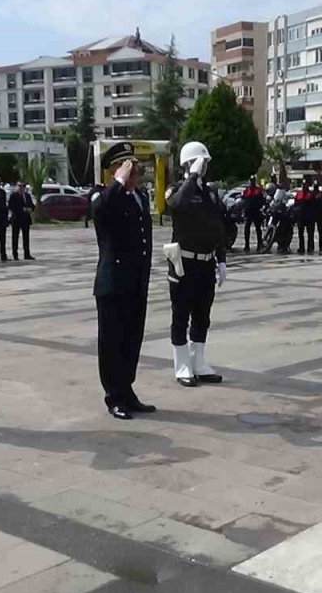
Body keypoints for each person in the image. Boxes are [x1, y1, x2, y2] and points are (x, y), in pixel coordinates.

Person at [92, 142, 155, 420]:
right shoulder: (102, 196)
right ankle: (113, 396)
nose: (135, 172)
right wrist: (117, 182)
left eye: (135, 167)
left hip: (135, 282)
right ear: (115, 169)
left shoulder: (137, 197)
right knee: (112, 342)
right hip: (113, 283)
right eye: (128, 167)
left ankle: (127, 390)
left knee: (132, 339)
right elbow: (102, 211)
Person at [164, 141, 228, 389]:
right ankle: (182, 366)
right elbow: (177, 205)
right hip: (183, 264)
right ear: (188, 164)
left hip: (205, 264)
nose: (205, 167)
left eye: (206, 163)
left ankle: (198, 362)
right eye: (201, 162)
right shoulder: (177, 189)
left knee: (202, 316)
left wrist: (221, 260)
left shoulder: (209, 193)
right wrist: (191, 177)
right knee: (181, 316)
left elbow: (217, 227)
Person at [294, 177, 319, 255]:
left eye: (306, 185)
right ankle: (301, 247)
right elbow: (295, 204)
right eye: (303, 184)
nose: (304, 186)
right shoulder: (299, 194)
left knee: (310, 234)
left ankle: (310, 247)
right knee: (300, 233)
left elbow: (315, 206)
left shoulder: (311, 194)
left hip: (309, 217)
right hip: (301, 217)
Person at [241, 176, 265, 253]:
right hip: (248, 212)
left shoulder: (258, 190)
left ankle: (259, 244)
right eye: (251, 181)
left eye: (253, 181)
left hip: (256, 211)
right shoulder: (246, 190)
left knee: (258, 229)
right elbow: (243, 200)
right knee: (247, 228)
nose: (252, 182)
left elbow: (262, 199)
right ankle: (247, 245)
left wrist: (261, 206)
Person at [14, 181, 36, 260]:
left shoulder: (27, 196)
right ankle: (15, 255)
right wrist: (22, 209)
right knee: (15, 238)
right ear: (17, 187)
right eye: (19, 186)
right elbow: (11, 206)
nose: (21, 188)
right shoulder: (14, 195)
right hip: (17, 219)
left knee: (26, 238)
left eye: (23, 186)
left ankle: (27, 254)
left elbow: (32, 206)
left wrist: (31, 209)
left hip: (26, 219)